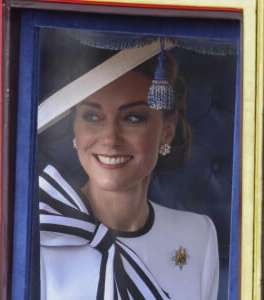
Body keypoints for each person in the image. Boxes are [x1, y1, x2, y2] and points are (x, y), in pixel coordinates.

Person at [39, 35, 219, 300]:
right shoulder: (43, 231)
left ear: (166, 132)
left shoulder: (198, 236)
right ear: (74, 129)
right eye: (92, 116)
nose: (110, 139)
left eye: (132, 118)